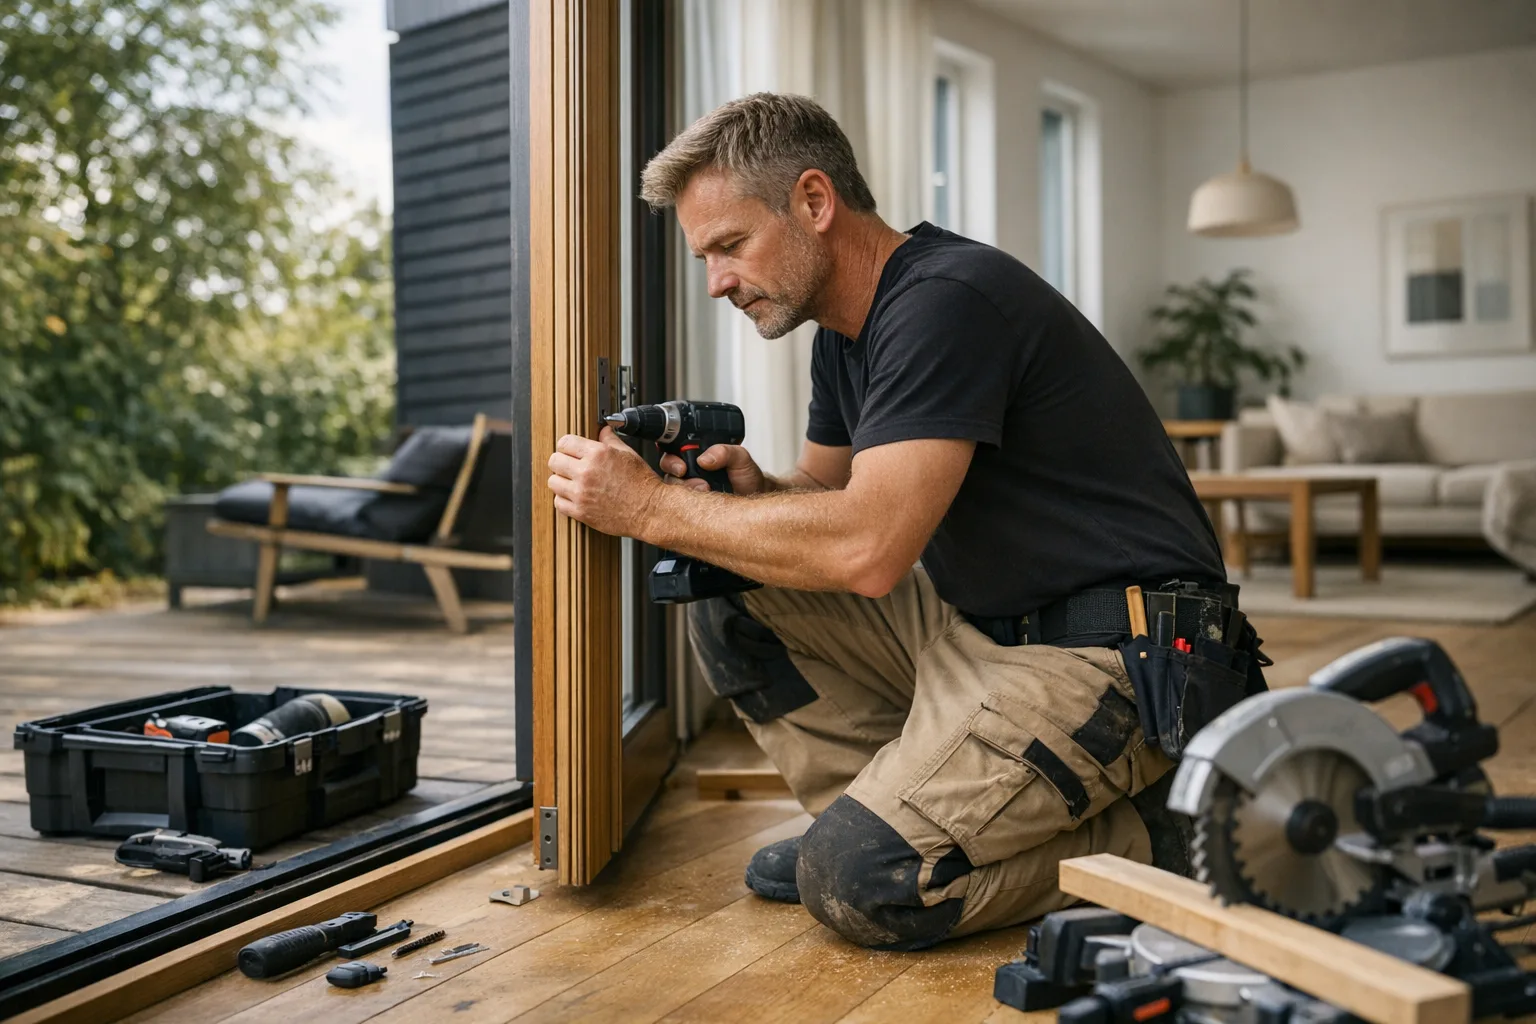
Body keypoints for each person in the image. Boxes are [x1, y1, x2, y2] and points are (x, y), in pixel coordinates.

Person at [545, 92, 1261, 951]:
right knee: (730, 584)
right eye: (707, 257)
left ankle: (1163, 841)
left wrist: (653, 508)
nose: (718, 282)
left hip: (1113, 654)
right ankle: (890, 806)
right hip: (983, 630)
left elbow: (869, 549)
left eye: (730, 246)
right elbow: (827, 497)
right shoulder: (843, 334)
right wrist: (752, 490)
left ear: (814, 201)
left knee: (863, 881)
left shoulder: (945, 301)